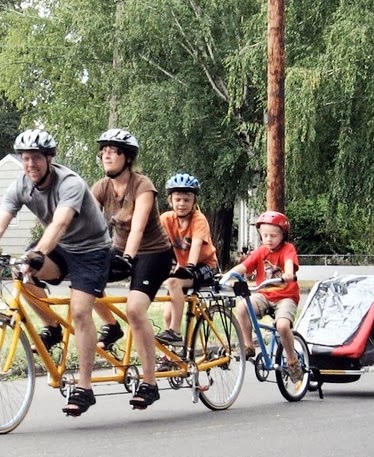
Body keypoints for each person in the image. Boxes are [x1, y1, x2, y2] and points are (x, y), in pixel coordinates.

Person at [0, 128, 111, 417]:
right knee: (21, 272)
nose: (30, 165)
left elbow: (60, 224)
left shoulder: (70, 183)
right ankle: (52, 327)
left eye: (36, 159)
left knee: (79, 312)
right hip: (61, 248)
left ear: (49, 159)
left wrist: (37, 254)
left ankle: (85, 388)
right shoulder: (19, 186)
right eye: (25, 159)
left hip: (92, 250)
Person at [91, 128, 172, 409]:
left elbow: (138, 226)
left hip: (154, 253)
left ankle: (149, 382)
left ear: (127, 158)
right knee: (86, 284)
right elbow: (84, 217)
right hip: (121, 250)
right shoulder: (102, 187)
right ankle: (112, 328)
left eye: (113, 150)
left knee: (135, 309)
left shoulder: (143, 185)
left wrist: (126, 256)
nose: (107, 155)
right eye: (104, 151)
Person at [220, 210, 304, 383]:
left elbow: (289, 263)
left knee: (282, 326)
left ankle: (292, 360)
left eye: (273, 235)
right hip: (264, 294)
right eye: (265, 235)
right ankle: (248, 345)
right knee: (243, 306)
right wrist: (226, 276)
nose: (269, 239)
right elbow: (244, 267)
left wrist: (288, 273)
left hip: (285, 297)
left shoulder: (288, 249)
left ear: (283, 235)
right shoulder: (260, 252)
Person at [156, 173, 219, 346]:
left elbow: (196, 244)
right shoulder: (166, 219)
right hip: (184, 268)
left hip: (206, 265)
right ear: (170, 201)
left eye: (186, 199)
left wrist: (189, 266)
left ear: (194, 202)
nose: (182, 204)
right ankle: (169, 359)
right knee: (167, 315)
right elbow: (158, 244)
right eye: (178, 199)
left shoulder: (198, 219)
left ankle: (175, 333)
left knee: (174, 283)